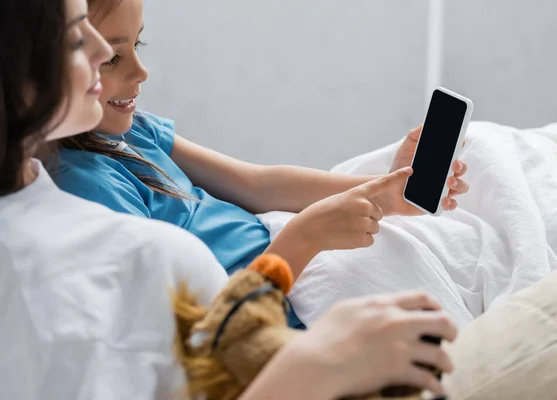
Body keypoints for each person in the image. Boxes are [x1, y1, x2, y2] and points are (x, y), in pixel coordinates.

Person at [0, 0, 459, 398]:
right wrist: (302, 239)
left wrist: (385, 190)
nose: (139, 71)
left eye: (135, 47)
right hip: (274, 308)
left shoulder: (128, 133)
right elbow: (213, 342)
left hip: (276, 275)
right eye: (103, 54)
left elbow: (257, 183)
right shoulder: (88, 197)